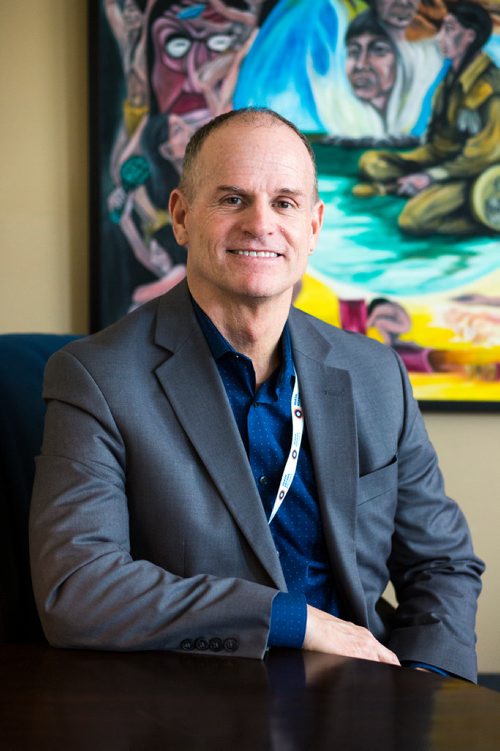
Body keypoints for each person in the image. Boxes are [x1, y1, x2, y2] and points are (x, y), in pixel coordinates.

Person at [29, 107, 484, 681]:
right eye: (232, 199)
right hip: (193, 704)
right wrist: (295, 621)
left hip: (366, 692)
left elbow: (441, 564)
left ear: (314, 226)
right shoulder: (94, 377)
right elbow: (78, 589)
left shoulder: (376, 373)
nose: (260, 224)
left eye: (285, 203)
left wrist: (427, 688)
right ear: (181, 216)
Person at [357, 2, 499, 235]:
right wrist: (418, 167)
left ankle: (481, 218)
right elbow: (437, 141)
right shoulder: (450, 81)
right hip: (442, 158)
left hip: (475, 174)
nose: (439, 37)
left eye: (450, 29)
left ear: (469, 36)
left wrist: (430, 177)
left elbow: (483, 155)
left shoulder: (489, 89)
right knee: (372, 164)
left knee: (413, 219)